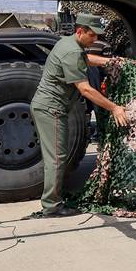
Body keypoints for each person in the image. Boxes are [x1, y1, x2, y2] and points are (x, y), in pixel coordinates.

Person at [30, 14, 128, 217]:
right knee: (57, 158)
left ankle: (53, 198)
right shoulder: (72, 51)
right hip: (52, 109)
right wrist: (114, 108)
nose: (95, 40)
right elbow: (86, 90)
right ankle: (52, 206)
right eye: (92, 36)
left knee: (55, 156)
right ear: (80, 31)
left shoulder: (69, 43)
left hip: (48, 106)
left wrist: (110, 62)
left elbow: (86, 58)